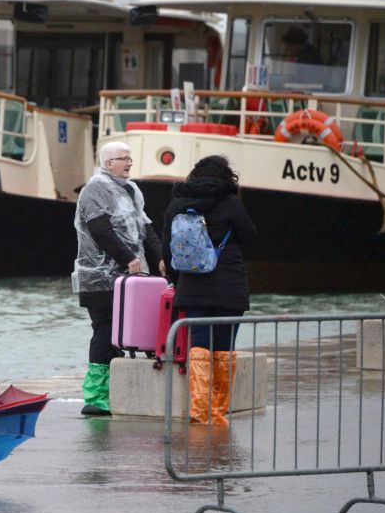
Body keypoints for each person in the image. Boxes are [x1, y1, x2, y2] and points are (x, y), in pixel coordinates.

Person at [160, 155, 257, 426]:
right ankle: (217, 412)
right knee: (224, 348)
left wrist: (176, 279)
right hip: (229, 286)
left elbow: (168, 248)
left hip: (192, 285)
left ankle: (199, 411)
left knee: (199, 346)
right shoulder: (231, 202)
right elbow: (249, 236)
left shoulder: (177, 203)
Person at [72, 142, 163, 417]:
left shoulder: (132, 189)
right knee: (105, 329)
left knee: (133, 330)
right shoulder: (95, 189)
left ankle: (120, 391)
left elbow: (145, 226)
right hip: (100, 278)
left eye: (130, 158)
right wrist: (127, 257)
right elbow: (99, 228)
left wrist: (159, 257)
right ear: (108, 163)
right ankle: (97, 397)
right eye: (123, 159)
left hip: (130, 277)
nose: (129, 163)